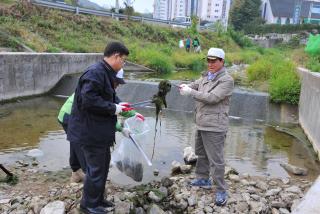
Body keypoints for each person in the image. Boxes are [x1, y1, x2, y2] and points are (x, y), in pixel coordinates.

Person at [67, 42, 132, 214]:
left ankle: (98, 200)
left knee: (102, 167)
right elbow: (89, 100)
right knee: (95, 169)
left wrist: (119, 104)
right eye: (123, 60)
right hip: (90, 132)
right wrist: (113, 108)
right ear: (116, 56)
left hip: (100, 132)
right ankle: (88, 205)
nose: (123, 64)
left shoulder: (106, 73)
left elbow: (109, 95)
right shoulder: (96, 72)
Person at [57, 69, 144, 183]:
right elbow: (101, 114)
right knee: (80, 146)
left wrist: (134, 114)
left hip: (75, 118)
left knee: (75, 145)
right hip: (70, 117)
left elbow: (118, 106)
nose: (117, 85)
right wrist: (120, 128)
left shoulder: (107, 90)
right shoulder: (98, 88)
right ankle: (89, 179)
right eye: (116, 82)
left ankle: (76, 174)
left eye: (118, 83)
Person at [179, 48, 234, 206]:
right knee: (201, 154)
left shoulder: (226, 80)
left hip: (215, 126)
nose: (210, 63)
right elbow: (195, 84)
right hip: (202, 122)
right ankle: (203, 178)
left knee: (216, 160)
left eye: (214, 60)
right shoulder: (206, 76)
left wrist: (190, 92)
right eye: (208, 60)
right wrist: (185, 86)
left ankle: (221, 190)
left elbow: (212, 98)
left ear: (222, 62)